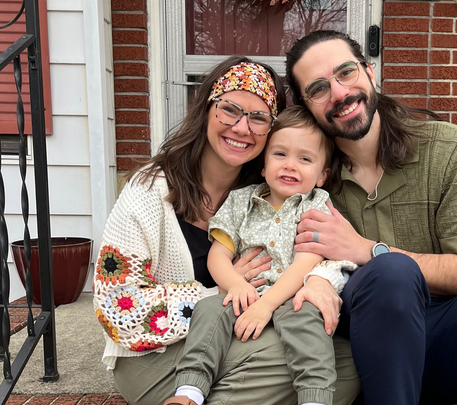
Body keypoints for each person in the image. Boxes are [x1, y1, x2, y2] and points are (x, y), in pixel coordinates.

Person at [284, 30, 457, 405]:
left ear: (369, 72)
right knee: (391, 274)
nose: (338, 92)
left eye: (346, 72)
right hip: (359, 354)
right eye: (318, 88)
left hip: (448, 340)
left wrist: (366, 249)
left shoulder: (447, 148)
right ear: (306, 107)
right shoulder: (302, 174)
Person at [92, 56, 360, 405]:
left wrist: (320, 279)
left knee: (344, 358)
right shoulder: (150, 189)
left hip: (240, 335)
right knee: (324, 363)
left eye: (258, 118)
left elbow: (322, 249)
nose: (242, 128)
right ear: (207, 109)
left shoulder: (268, 190)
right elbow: (117, 306)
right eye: (230, 110)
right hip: (156, 355)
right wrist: (225, 289)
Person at [197, 105, 356, 405]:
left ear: (322, 175)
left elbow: (305, 262)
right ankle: (190, 389)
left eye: (305, 159)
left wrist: (267, 305)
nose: (290, 166)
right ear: (263, 164)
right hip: (244, 294)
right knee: (208, 310)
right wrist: (236, 285)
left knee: (307, 318)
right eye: (280, 154)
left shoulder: (316, 205)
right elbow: (218, 255)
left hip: (290, 298)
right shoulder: (241, 201)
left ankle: (314, 398)